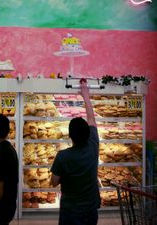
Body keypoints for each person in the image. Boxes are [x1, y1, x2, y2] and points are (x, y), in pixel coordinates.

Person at [50, 79, 100, 225]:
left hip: (70, 210)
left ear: (70, 136)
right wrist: (86, 95)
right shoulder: (93, 146)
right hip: (90, 208)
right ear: (88, 134)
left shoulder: (62, 156)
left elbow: (54, 182)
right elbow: (91, 119)